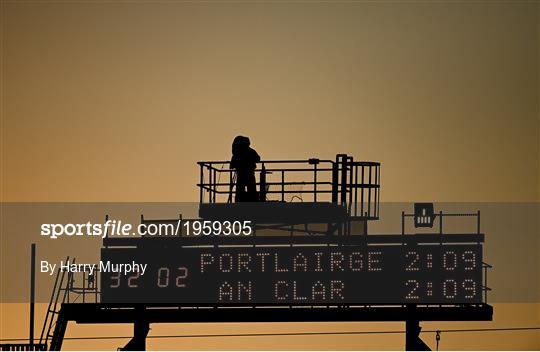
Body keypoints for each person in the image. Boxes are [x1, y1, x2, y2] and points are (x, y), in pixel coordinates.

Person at [230, 136, 260, 202]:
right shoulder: (251, 151)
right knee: (251, 190)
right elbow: (258, 159)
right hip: (249, 174)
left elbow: (232, 165)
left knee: (240, 190)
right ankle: (252, 200)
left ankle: (240, 200)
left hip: (242, 175)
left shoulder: (237, 153)